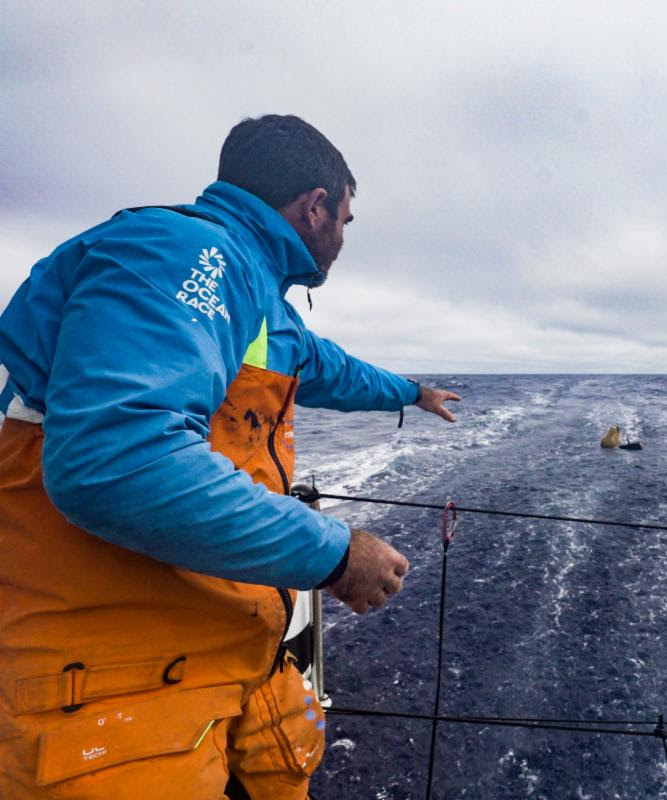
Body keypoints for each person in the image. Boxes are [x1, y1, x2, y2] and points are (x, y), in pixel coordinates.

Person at [0, 114, 461, 798]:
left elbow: (331, 370)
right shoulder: (180, 251)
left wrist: (411, 393)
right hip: (108, 675)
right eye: (346, 219)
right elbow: (116, 460)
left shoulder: (262, 302)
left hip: (229, 646)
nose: (342, 237)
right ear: (316, 206)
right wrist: (336, 555)